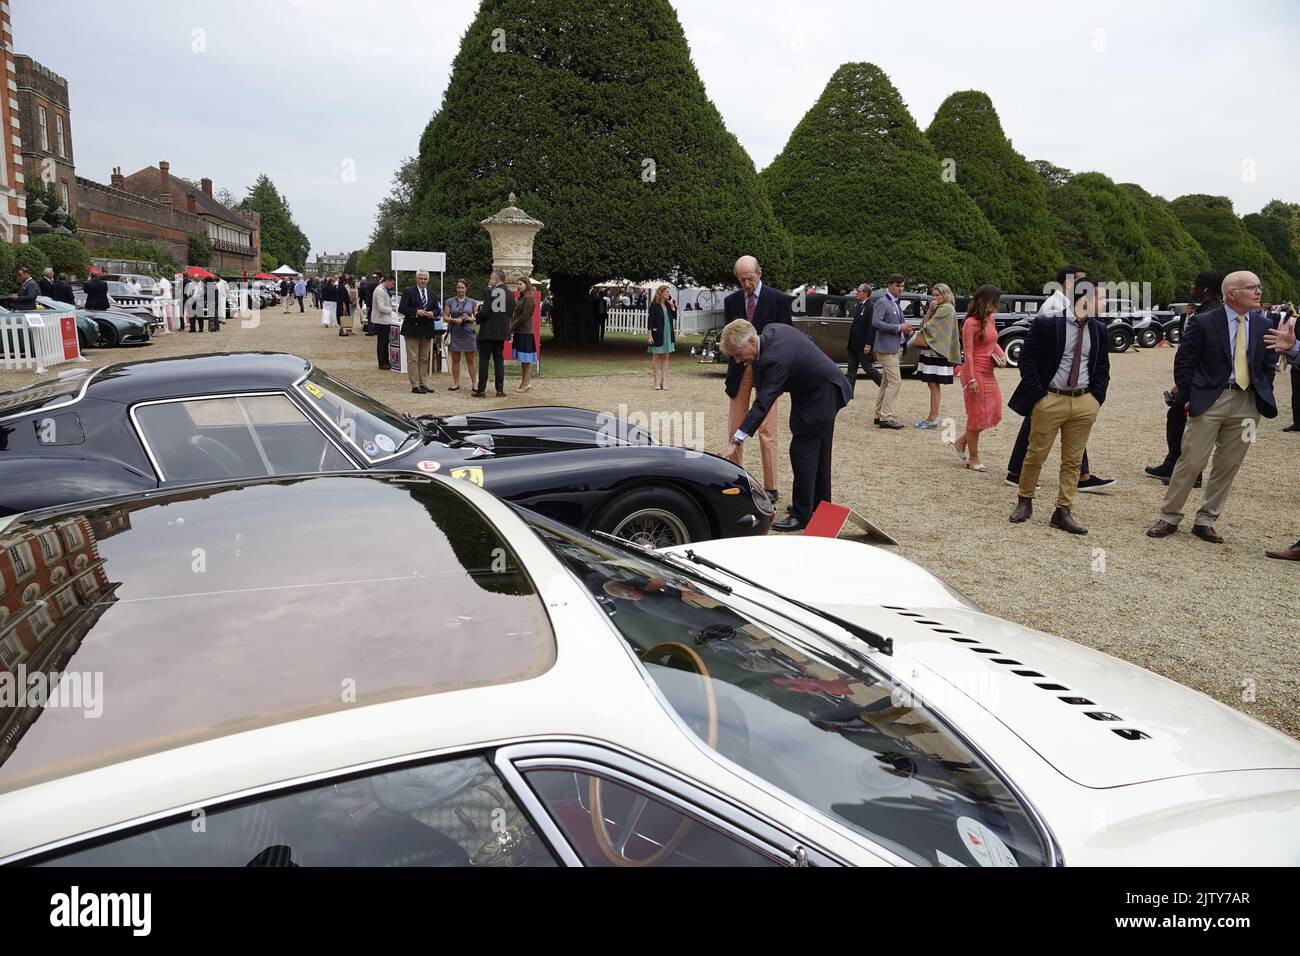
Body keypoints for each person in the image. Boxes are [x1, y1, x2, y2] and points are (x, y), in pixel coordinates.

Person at [1146, 272, 1300, 543]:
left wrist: (1263, 391)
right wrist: (1190, 398)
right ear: (1231, 293)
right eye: (1251, 288)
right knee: (1191, 460)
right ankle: (1169, 516)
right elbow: (1184, 362)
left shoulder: (1264, 324)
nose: (1258, 292)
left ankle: (1206, 519)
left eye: (1258, 287)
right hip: (1210, 400)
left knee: (1230, 463)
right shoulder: (1204, 321)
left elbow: (1267, 364)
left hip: (1248, 404)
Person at [718, 320, 852, 532]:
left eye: (737, 353)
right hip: (822, 389)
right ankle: (817, 506)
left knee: (802, 452)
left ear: (752, 341)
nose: (738, 360)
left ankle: (802, 515)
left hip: (822, 395)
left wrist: (736, 440)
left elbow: (763, 402)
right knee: (818, 453)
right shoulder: (772, 330)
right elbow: (806, 341)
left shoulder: (774, 359)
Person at [1008, 278, 1111, 534]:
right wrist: (1039, 396)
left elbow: (1102, 367)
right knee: (1035, 454)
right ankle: (1025, 500)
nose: (1105, 303)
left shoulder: (1099, 329)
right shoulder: (1047, 323)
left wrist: (1096, 398)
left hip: (1084, 401)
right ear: (1085, 299)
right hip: (1050, 399)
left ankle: (1063, 510)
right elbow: (1027, 360)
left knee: (1073, 461)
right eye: (1102, 297)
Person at [723, 255, 792, 504]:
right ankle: (735, 481)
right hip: (739, 370)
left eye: (750, 278)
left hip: (768, 372)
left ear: (759, 274)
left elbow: (786, 337)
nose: (746, 284)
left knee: (768, 430)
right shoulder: (731, 301)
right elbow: (729, 339)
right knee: (735, 428)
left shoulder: (779, 299)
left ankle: (771, 488)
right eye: (741, 279)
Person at [1145, 270, 1222, 485]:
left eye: (1196, 285)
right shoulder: (1209, 310)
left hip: (1198, 381)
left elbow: (1199, 353)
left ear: (1204, 288)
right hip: (1196, 379)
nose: (1192, 289)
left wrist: (1183, 384)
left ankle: (1190, 473)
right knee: (1178, 419)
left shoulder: (1210, 314)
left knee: (1191, 426)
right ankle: (1173, 462)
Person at [951, 284, 1007, 472]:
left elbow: (993, 342)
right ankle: (973, 457)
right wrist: (972, 380)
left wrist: (1002, 355)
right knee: (977, 415)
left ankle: (961, 441)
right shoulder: (970, 323)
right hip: (974, 372)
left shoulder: (990, 318)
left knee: (993, 411)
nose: (997, 306)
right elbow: (968, 354)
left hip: (989, 372)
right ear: (985, 302)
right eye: (994, 303)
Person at [914, 282, 962, 428]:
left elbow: (928, 327)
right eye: (933, 295)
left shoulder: (946, 308)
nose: (934, 297)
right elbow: (924, 324)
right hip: (931, 351)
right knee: (932, 383)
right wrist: (930, 310)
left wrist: (930, 313)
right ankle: (932, 416)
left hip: (938, 352)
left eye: (937, 295)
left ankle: (933, 417)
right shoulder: (938, 308)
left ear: (945, 295)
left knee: (934, 384)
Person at [871, 273, 913, 429]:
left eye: (902, 286)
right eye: (897, 285)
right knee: (896, 382)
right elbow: (876, 322)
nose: (900, 288)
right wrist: (898, 328)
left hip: (894, 347)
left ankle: (878, 415)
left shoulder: (895, 302)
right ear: (889, 285)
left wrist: (906, 329)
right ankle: (885, 417)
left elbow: (898, 323)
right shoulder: (883, 302)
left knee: (886, 383)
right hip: (886, 348)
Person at [398, 270, 440, 394]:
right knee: (413, 358)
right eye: (421, 278)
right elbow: (402, 308)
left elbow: (437, 309)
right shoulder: (408, 291)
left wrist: (433, 313)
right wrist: (416, 312)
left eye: (425, 278)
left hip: (427, 329)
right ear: (416, 279)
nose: (423, 281)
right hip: (412, 329)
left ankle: (423, 383)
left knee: (424, 358)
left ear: (428, 280)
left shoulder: (432, 293)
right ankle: (415, 385)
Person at [473, 270, 511, 398]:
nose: (490, 281)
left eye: (491, 278)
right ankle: (500, 390)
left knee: (484, 360)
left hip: (488, 331)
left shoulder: (492, 292)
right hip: (501, 332)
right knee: (499, 360)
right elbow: (510, 313)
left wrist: (477, 318)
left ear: (496, 279)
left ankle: (481, 389)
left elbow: (485, 312)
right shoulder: (511, 294)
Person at [845, 283, 880, 394]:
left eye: (859, 291)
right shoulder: (859, 305)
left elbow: (871, 327)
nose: (856, 292)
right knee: (851, 369)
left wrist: (868, 345)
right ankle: (849, 392)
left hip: (863, 344)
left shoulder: (871, 306)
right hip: (853, 343)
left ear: (865, 293)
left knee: (868, 368)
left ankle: (884, 386)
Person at [444, 279, 478, 391]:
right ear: (456, 288)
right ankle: (456, 383)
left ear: (466, 289)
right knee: (455, 359)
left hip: (468, 332)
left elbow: (476, 317)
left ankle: (474, 383)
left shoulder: (472, 301)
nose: (460, 290)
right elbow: (445, 317)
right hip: (455, 332)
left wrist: (469, 318)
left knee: (470, 359)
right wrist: (453, 320)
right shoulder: (450, 301)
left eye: (462, 287)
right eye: (458, 287)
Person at [646, 284, 676, 390]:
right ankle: (656, 380)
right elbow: (650, 321)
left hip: (668, 332)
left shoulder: (669, 304)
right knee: (656, 356)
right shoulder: (654, 305)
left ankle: (664, 379)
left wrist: (672, 306)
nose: (669, 293)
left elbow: (674, 316)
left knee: (666, 356)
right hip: (657, 333)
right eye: (667, 291)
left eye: (669, 291)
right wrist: (649, 335)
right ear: (661, 293)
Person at [510, 277, 538, 392]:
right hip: (519, 332)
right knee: (523, 360)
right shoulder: (521, 298)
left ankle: (526, 383)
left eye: (521, 284)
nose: (519, 286)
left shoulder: (529, 299)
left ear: (527, 285)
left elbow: (524, 317)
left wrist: (512, 327)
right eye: (518, 284)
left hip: (526, 332)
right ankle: (524, 383)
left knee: (527, 359)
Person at [370, 275, 396, 370]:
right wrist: (391, 309)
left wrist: (390, 306)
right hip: (381, 320)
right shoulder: (380, 290)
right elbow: (381, 307)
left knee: (384, 342)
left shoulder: (383, 290)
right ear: (387, 281)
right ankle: (382, 363)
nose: (392, 286)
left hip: (384, 320)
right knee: (382, 342)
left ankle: (385, 361)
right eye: (392, 283)